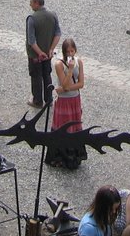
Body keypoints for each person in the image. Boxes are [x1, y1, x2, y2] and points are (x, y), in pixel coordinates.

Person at [45, 37, 87, 169]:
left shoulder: (79, 62)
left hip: (74, 99)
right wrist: (69, 71)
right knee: (62, 127)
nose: (70, 54)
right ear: (64, 52)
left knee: (74, 126)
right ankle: (60, 156)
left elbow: (80, 83)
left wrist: (64, 89)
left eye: (72, 51)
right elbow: (64, 82)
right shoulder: (59, 64)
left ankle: (74, 156)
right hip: (63, 101)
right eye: (68, 51)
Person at [26, 0, 61, 109]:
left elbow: (31, 40)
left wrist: (39, 52)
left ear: (36, 3)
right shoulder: (53, 15)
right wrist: (51, 49)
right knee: (47, 74)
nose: (30, 4)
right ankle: (49, 99)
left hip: (35, 55)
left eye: (31, 2)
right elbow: (57, 34)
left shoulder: (32, 18)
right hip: (48, 53)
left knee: (36, 76)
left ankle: (37, 101)